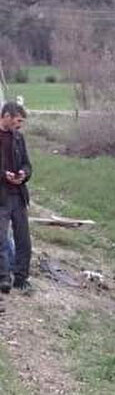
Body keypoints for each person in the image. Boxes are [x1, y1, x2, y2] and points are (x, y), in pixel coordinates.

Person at [0, 102, 33, 294]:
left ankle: (21, 278)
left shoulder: (19, 138)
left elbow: (28, 165)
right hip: (1, 198)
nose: (20, 125)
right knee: (1, 239)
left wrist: (23, 173)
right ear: (6, 116)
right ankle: (4, 278)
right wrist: (4, 175)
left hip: (19, 196)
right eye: (18, 120)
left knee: (23, 240)